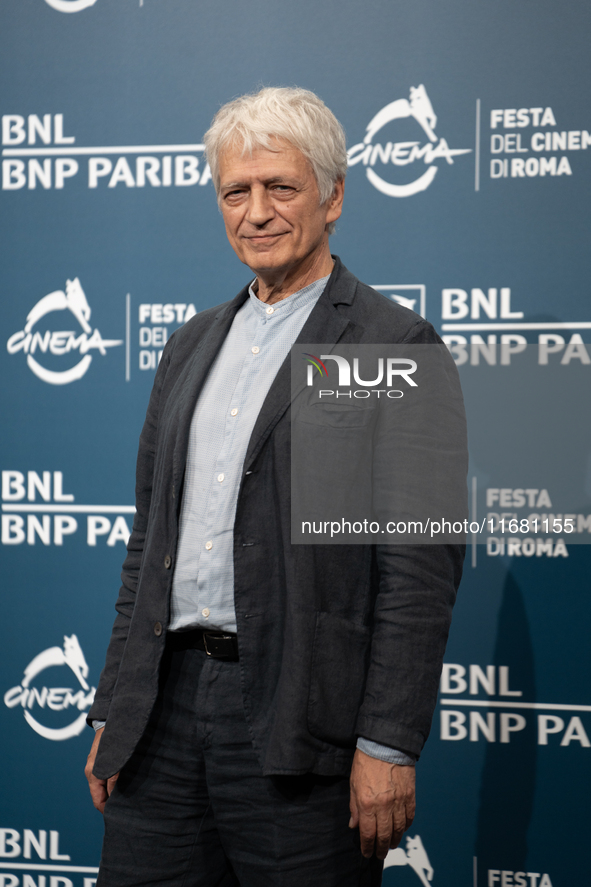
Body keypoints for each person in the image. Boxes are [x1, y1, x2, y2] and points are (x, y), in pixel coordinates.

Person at [85, 86, 466, 887]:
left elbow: (416, 571)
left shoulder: (389, 341)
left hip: (301, 723)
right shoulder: (190, 345)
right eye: (236, 191)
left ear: (332, 197)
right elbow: (145, 549)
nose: (255, 212)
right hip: (161, 712)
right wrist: (115, 706)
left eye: (279, 187)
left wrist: (387, 742)